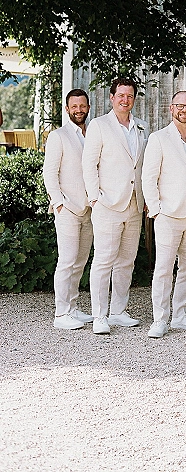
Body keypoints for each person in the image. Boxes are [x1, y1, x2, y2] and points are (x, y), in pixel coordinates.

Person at [82, 77, 148, 334]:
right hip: (107, 203)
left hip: (134, 203)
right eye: (120, 95)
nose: (125, 100)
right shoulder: (99, 125)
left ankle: (118, 311)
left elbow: (141, 166)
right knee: (103, 260)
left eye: (129, 96)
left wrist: (144, 199)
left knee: (127, 260)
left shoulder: (142, 126)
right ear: (112, 97)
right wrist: (95, 198)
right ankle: (100, 315)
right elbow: (89, 164)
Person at [142, 91, 186, 339]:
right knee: (164, 268)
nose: (184, 109)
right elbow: (149, 178)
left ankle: (180, 315)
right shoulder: (159, 139)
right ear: (171, 108)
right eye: (180, 105)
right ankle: (160, 319)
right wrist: (156, 210)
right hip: (167, 213)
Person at [43, 89, 93, 330]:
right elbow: (49, 173)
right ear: (67, 109)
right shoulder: (58, 136)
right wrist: (59, 202)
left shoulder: (93, 133)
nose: (79, 110)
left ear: (88, 107)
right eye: (74, 106)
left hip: (89, 210)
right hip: (68, 210)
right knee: (67, 260)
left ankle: (72, 307)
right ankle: (61, 313)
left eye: (82, 106)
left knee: (80, 261)